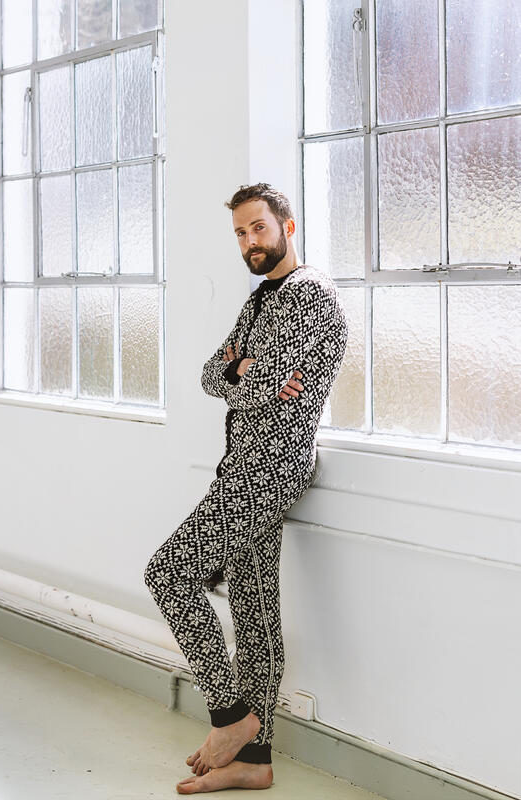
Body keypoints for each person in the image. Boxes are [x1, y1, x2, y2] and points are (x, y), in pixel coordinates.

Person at [144, 183, 348, 794]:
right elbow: (215, 375)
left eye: (259, 227)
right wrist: (243, 372)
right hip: (244, 465)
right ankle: (254, 761)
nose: (249, 242)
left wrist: (246, 375)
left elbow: (260, 387)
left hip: (271, 469)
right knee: (253, 608)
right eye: (240, 232)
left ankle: (231, 718)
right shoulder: (262, 298)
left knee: (169, 574)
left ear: (288, 226)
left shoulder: (310, 294)